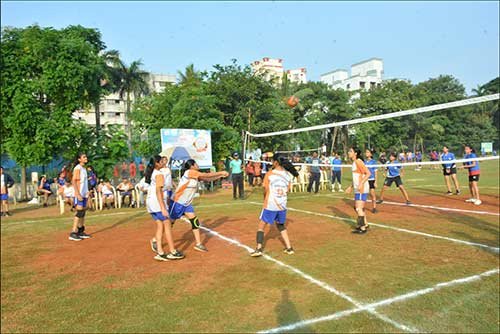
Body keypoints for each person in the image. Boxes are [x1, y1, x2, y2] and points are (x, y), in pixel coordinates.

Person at [169, 159, 228, 252]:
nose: (197, 165)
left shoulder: (195, 175)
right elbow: (206, 175)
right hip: (178, 202)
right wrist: (221, 172)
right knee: (170, 223)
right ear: (192, 166)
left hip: (187, 203)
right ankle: (156, 239)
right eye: (196, 164)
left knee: (194, 221)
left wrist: (220, 175)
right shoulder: (190, 172)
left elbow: (207, 179)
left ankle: (198, 244)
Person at [250, 154, 299, 257]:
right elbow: (288, 190)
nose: (271, 163)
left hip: (271, 204)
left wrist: (265, 199)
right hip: (282, 205)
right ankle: (289, 248)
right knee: (281, 225)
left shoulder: (270, 174)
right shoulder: (287, 175)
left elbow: (265, 189)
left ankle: (258, 249)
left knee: (261, 226)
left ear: (276, 162)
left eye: (272, 161)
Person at [145, 155, 185, 261]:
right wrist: (163, 208)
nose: (163, 162)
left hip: (151, 202)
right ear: (157, 163)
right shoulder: (159, 174)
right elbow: (159, 192)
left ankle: (160, 252)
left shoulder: (153, 172)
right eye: (161, 161)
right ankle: (172, 251)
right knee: (167, 226)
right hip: (157, 203)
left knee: (160, 226)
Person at [345, 147, 371, 234]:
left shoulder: (358, 161)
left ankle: (362, 228)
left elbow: (368, 173)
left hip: (361, 188)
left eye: (350, 151)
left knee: (358, 208)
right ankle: (365, 224)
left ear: (355, 153)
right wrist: (351, 186)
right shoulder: (354, 162)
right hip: (358, 188)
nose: (349, 152)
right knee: (360, 208)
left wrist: (361, 184)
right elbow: (356, 177)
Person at [69, 153, 92, 241]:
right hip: (78, 194)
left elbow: (84, 183)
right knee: (79, 212)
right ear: (79, 159)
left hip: (84, 194)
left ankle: (80, 231)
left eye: (86, 156)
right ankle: (73, 232)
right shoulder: (77, 168)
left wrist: (87, 192)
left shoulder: (83, 169)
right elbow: (73, 181)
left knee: (82, 212)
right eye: (84, 157)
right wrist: (78, 194)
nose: (86, 158)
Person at [365, 149, 378, 213]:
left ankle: (374, 208)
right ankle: (360, 206)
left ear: (371, 154)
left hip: (371, 179)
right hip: (365, 179)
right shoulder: (364, 161)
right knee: (363, 193)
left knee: (372, 194)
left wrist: (375, 181)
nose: (366, 153)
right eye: (366, 152)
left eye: (367, 152)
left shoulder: (373, 162)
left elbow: (375, 172)